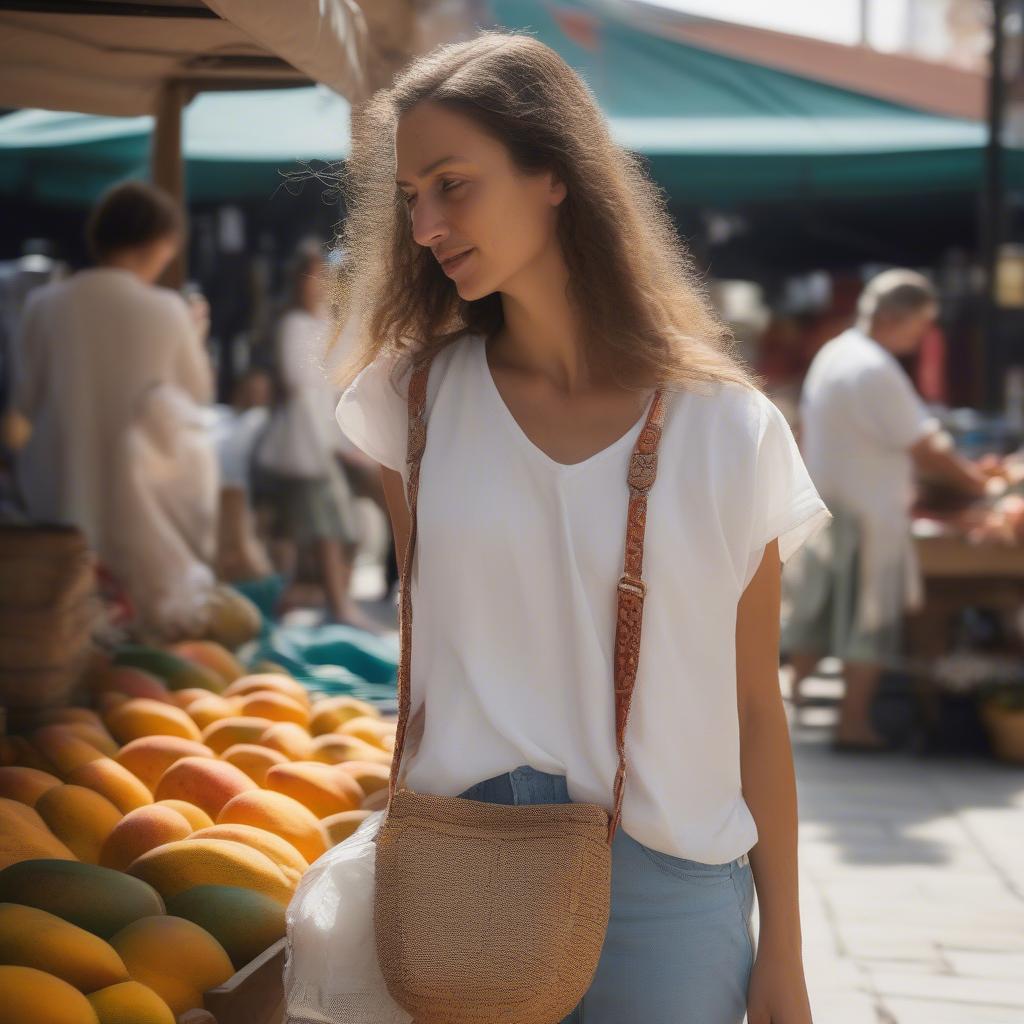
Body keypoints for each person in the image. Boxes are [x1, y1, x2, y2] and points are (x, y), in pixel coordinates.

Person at [331, 30, 828, 1023]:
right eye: (411, 195)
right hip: (464, 873)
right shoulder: (409, 408)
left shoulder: (730, 430)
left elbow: (755, 708)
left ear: (551, 172)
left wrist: (785, 955)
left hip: (673, 891)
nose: (424, 222)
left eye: (452, 183)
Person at [783, 269, 992, 749]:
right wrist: (975, 483)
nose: (922, 337)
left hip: (830, 502)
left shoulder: (836, 353)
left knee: (816, 613)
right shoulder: (874, 367)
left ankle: (788, 702)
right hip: (869, 511)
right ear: (896, 317)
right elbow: (925, 447)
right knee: (868, 622)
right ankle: (853, 724)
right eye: (921, 325)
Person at [10, 180, 212, 563]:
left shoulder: (43, 304)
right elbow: (196, 397)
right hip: (140, 507)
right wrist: (195, 333)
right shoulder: (168, 311)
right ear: (160, 242)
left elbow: (24, 407)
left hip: (55, 495)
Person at [254, 239, 380, 633]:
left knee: (330, 528)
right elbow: (304, 383)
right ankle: (339, 606)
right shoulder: (294, 324)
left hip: (328, 439)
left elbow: (337, 382)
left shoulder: (326, 322)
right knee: (326, 525)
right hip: (309, 442)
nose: (319, 283)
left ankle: (317, 601)